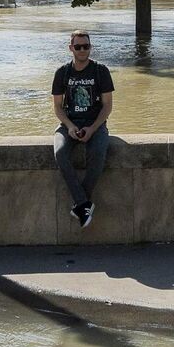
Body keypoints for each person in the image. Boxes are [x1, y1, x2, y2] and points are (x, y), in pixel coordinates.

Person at [51, 30, 115, 228]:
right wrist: (70, 127)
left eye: (85, 46)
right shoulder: (62, 73)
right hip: (69, 125)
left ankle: (81, 204)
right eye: (78, 46)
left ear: (90, 47)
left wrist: (93, 128)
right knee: (60, 152)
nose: (82, 50)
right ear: (71, 48)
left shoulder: (100, 71)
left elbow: (107, 106)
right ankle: (84, 204)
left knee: (98, 152)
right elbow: (57, 107)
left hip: (95, 124)